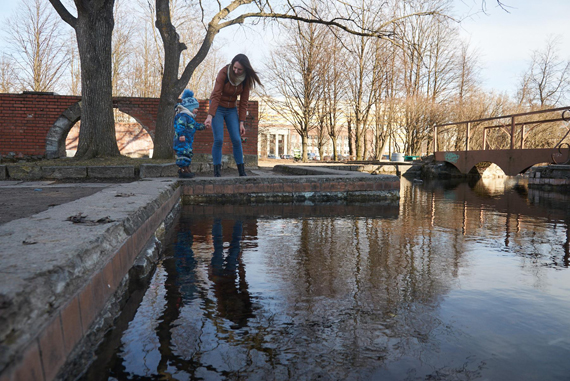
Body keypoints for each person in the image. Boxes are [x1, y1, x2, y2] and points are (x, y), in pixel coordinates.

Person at [204, 54, 262, 177]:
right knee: (219, 139)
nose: (236, 71)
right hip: (218, 107)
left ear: (245, 70)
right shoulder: (224, 73)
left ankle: (241, 171)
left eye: (239, 69)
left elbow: (244, 102)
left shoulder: (245, 79)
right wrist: (210, 116)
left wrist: (241, 122)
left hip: (231, 109)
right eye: (234, 68)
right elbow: (215, 95)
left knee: (236, 139)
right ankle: (217, 172)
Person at [173, 89, 206, 178]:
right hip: (181, 140)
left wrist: (204, 126)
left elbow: (195, 126)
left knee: (187, 153)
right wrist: (182, 135)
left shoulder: (190, 118)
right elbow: (180, 126)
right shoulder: (183, 116)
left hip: (187, 140)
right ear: (190, 108)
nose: (197, 110)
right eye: (196, 108)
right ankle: (182, 169)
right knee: (182, 153)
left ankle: (186, 168)